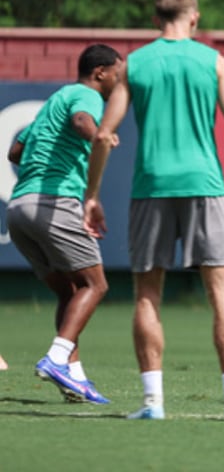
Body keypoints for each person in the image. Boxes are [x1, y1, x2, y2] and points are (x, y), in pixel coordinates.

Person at [83, 0, 224, 422]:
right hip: (206, 185)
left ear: (155, 20)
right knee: (221, 292)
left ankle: (153, 403)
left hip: (152, 187)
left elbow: (105, 134)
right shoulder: (213, 61)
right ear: (195, 18)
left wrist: (91, 195)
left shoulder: (135, 64)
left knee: (147, 294)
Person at [6, 44, 122, 405]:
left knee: (70, 293)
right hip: (53, 204)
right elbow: (82, 123)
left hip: (19, 208)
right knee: (96, 284)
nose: (120, 81)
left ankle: (75, 376)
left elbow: (15, 152)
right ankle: (56, 359)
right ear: (100, 73)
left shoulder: (54, 101)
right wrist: (100, 135)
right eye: (117, 74)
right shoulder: (88, 96)